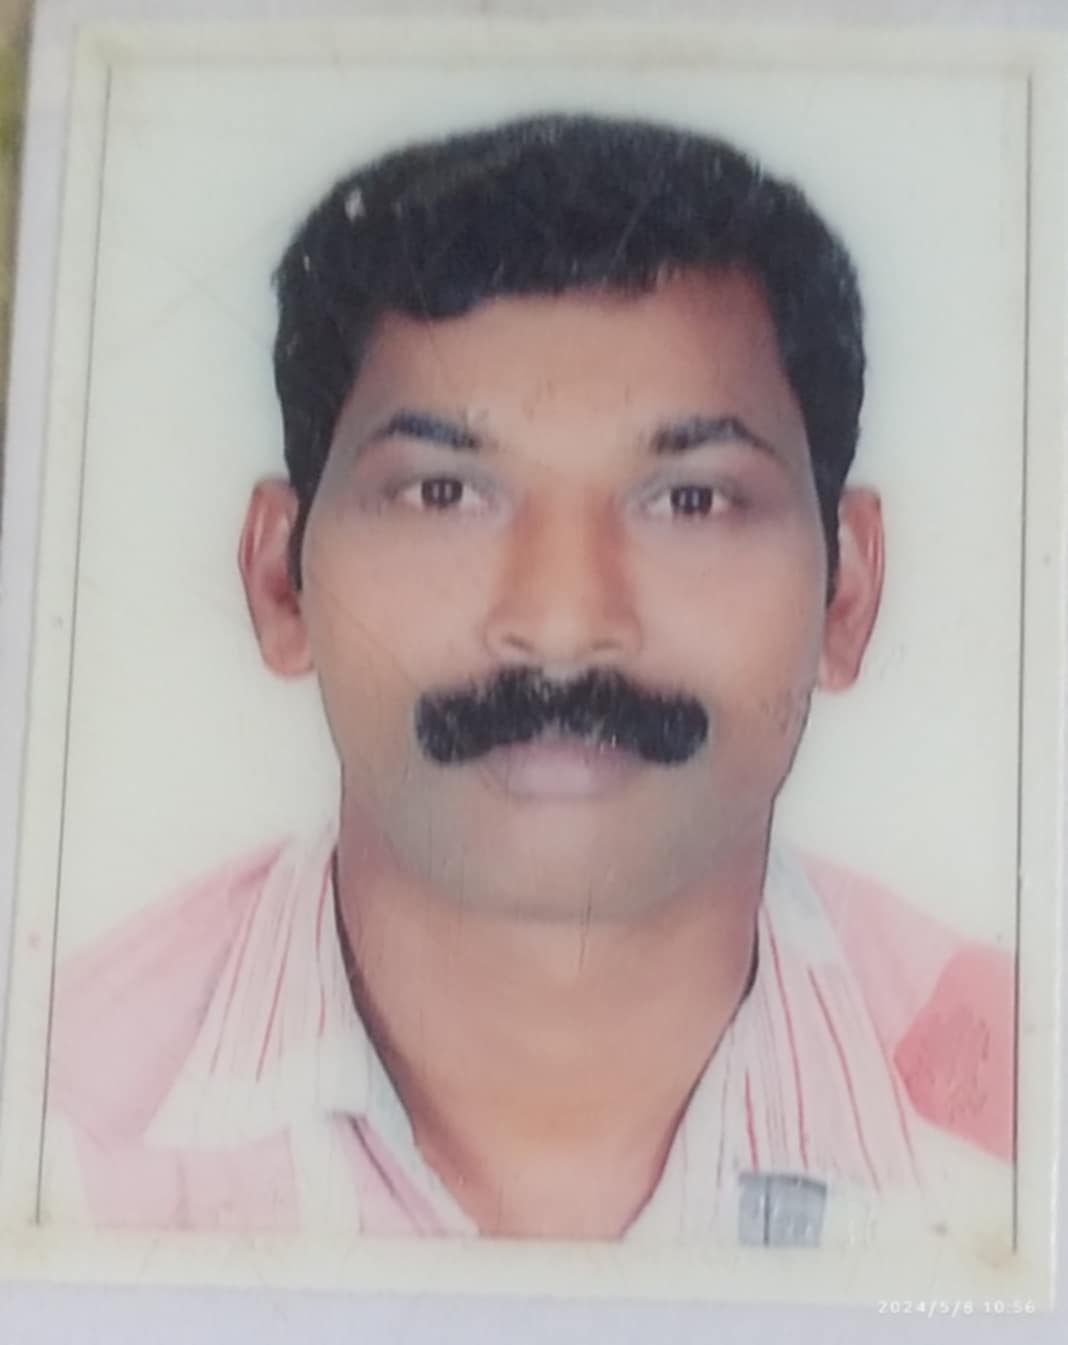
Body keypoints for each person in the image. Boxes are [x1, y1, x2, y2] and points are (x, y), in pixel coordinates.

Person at [47, 113, 1013, 1246]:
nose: (563, 624)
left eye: (691, 500)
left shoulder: (1020, 1126)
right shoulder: (49, 1121)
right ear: (279, 579)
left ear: (847, 591)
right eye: (444, 493)